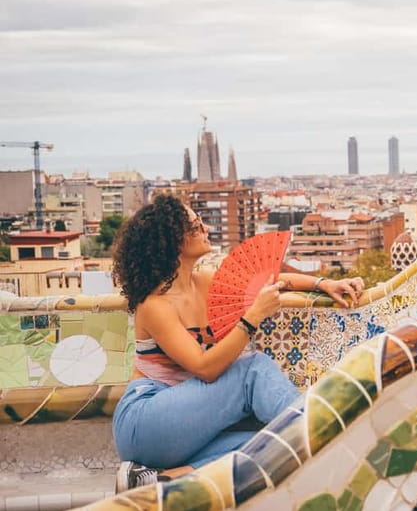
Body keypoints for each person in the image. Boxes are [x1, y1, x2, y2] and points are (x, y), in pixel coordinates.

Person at [111, 194, 364, 492]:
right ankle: (323, 432)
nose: (205, 229)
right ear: (174, 240)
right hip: (146, 421)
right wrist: (253, 316)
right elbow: (205, 368)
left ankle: (155, 480)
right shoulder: (155, 304)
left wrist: (323, 284)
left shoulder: (203, 282)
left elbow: (274, 281)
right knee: (252, 367)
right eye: (196, 225)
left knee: (270, 443)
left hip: (182, 424)